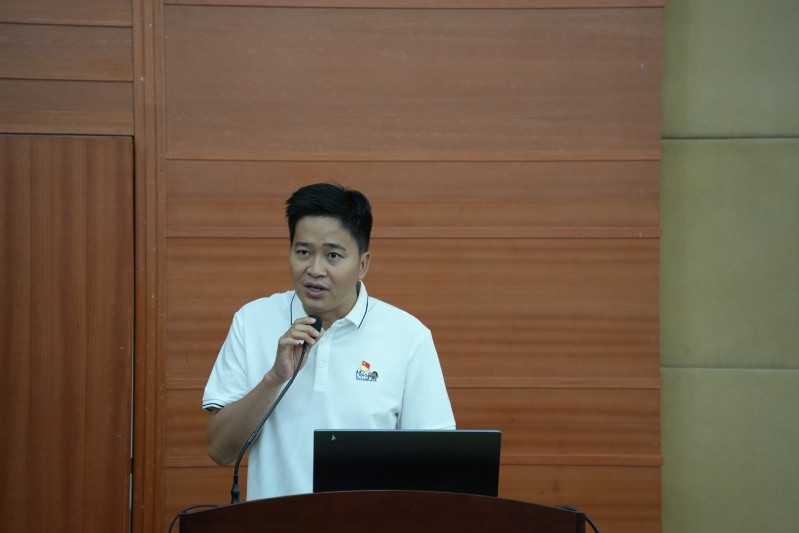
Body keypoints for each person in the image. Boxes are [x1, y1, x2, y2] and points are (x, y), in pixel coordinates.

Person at [202, 182, 456, 500]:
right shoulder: (252, 321)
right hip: (273, 521)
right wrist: (274, 378)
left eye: (333, 255)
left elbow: (436, 466)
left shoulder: (408, 336)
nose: (315, 269)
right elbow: (220, 450)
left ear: (362, 264)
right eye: (303, 252)